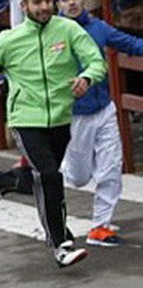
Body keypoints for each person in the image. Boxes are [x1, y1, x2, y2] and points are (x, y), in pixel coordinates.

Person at [0, 0, 105, 268]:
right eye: (36, 2)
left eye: (47, 2)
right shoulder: (9, 39)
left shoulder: (68, 30)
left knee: (43, 179)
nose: (43, 8)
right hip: (25, 118)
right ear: (25, 5)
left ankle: (3, 182)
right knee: (50, 174)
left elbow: (96, 61)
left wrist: (87, 77)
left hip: (61, 118)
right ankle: (61, 244)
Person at [57, 0, 143, 248]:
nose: (72, 2)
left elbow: (131, 44)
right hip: (73, 114)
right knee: (79, 177)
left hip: (104, 108)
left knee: (111, 167)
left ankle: (100, 226)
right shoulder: (51, 33)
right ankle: (54, 166)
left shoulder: (99, 27)